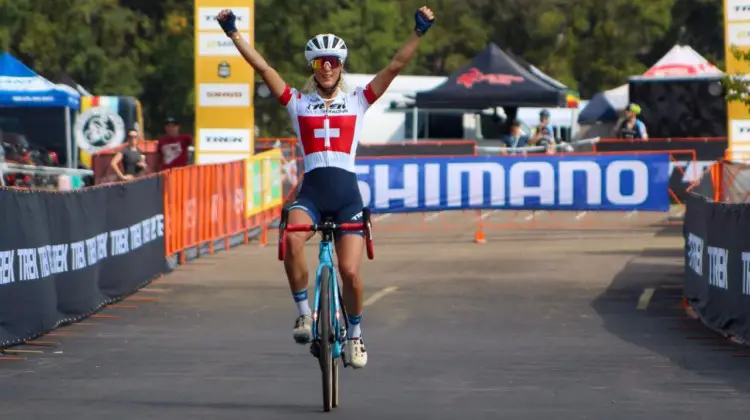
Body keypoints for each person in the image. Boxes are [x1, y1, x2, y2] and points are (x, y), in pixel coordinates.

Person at [217, 6, 435, 369]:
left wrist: (419, 31)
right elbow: (264, 68)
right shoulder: (298, 103)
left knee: (350, 271)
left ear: (341, 66)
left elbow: (394, 66)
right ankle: (304, 313)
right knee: (290, 239)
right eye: (320, 63)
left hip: (347, 194)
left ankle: (355, 335)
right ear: (313, 69)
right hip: (313, 193)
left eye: (333, 61)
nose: (328, 67)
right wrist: (233, 33)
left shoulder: (359, 100)